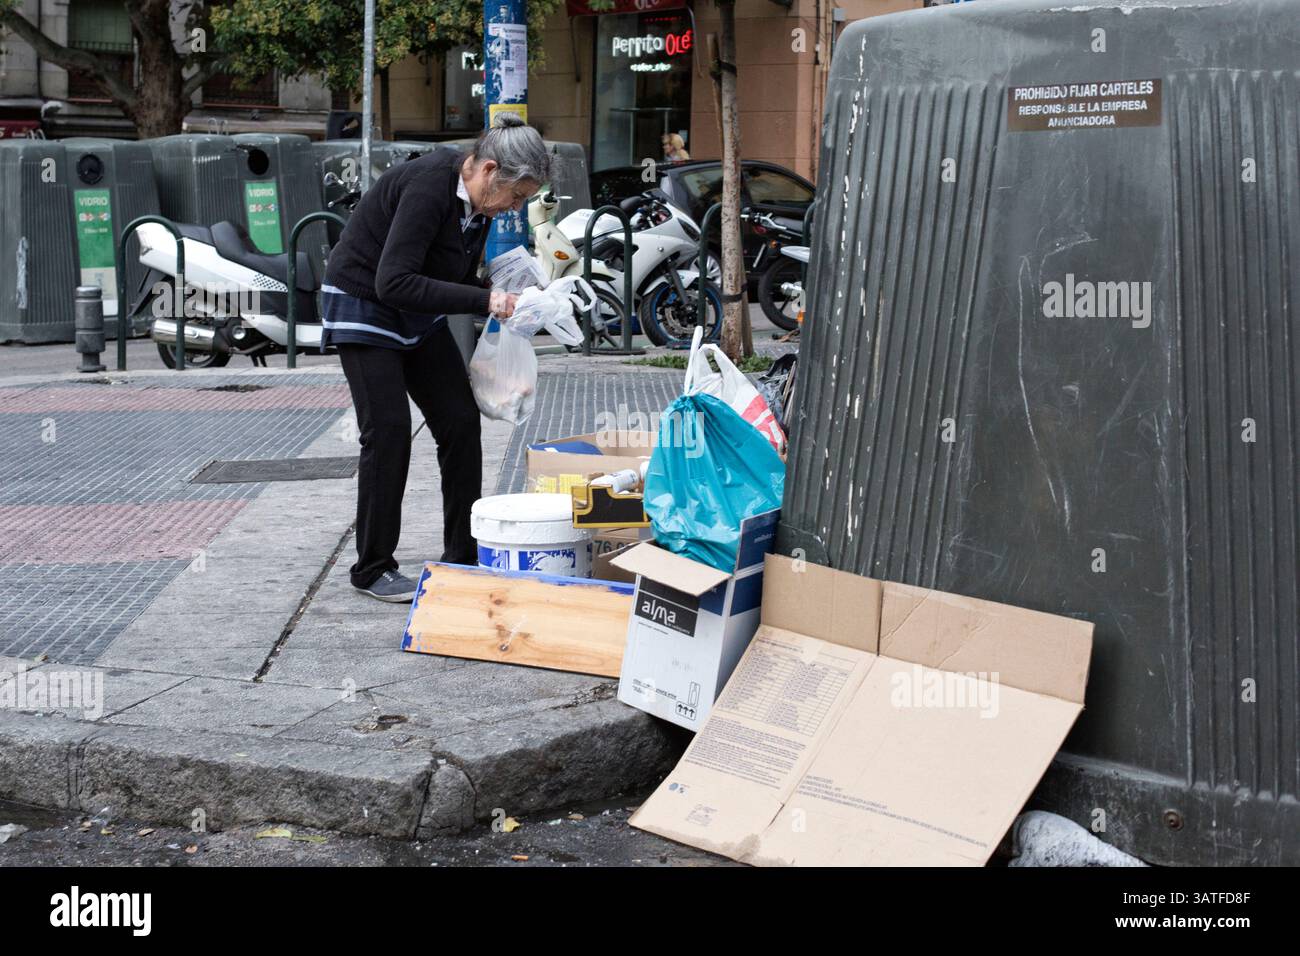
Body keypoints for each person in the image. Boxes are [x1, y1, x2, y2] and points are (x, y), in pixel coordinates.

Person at [321, 115, 551, 602]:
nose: (516, 206)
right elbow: (394, 281)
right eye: (517, 195)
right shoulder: (430, 187)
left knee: (460, 422)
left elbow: (450, 273)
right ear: (489, 170)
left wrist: (508, 291)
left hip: (415, 317)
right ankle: (372, 568)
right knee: (387, 433)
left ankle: (462, 554)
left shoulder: (481, 204)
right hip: (364, 303)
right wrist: (485, 301)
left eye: (524, 199)